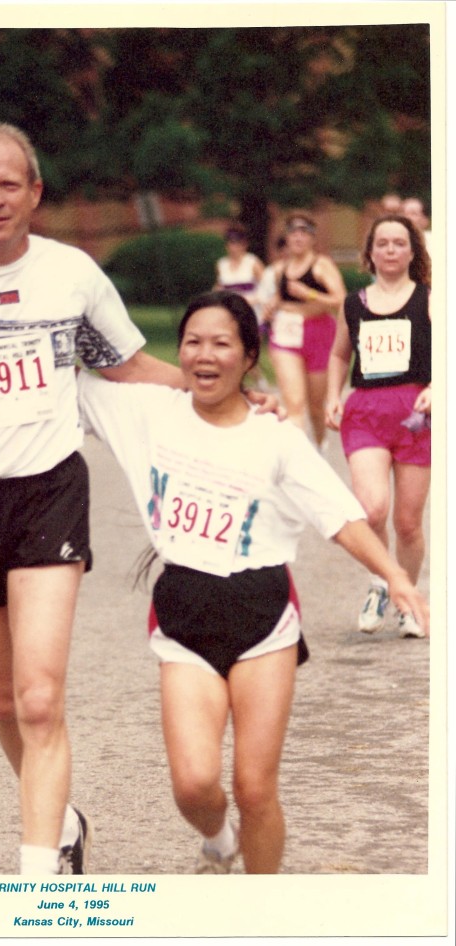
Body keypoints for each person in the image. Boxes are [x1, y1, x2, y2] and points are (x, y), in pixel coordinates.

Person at [0, 123, 284, 875]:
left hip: (45, 491)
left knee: (40, 698)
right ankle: (61, 818)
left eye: (10, 183)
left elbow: (129, 364)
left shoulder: (72, 273)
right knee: (3, 704)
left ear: (35, 191)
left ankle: (37, 885)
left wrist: (230, 390)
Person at [77, 290, 429, 874]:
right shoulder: (145, 411)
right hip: (183, 610)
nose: (203, 355)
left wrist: (394, 575)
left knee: (255, 789)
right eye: (193, 342)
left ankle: (265, 916)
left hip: (262, 611)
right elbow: (53, 382)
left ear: (249, 358)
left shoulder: (275, 437)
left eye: (221, 344)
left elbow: (340, 516)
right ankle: (218, 841)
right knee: (193, 784)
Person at [325, 214, 431, 638]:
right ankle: (380, 585)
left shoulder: (430, 299)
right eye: (382, 243)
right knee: (371, 510)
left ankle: (407, 600)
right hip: (366, 411)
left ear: (411, 251)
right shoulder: (354, 303)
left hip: (416, 414)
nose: (390, 250)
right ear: (370, 252)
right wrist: (333, 395)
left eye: (398, 243)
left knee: (407, 522)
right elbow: (337, 355)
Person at [261, 212, 346, 452]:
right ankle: (299, 460)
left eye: (304, 233)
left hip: (318, 335)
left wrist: (308, 294)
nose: (298, 237)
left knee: (316, 408)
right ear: (286, 238)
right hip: (286, 338)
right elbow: (281, 296)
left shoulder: (321, 265)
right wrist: (273, 305)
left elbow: (341, 299)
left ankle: (320, 446)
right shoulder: (280, 269)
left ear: (312, 239)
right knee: (295, 405)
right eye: (293, 233)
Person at [213, 223, 264, 310]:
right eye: (230, 243)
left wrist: (253, 300)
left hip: (251, 309)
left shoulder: (253, 262)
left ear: (244, 244)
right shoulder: (221, 264)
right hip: (230, 309)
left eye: (237, 243)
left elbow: (267, 287)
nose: (233, 247)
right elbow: (219, 286)